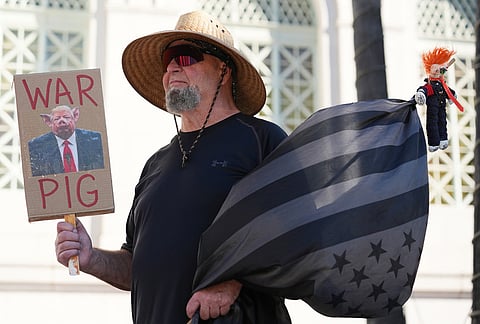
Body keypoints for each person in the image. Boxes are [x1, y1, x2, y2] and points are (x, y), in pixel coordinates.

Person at [55, 10, 291, 324]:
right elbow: (134, 267)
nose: (171, 67)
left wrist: (232, 283)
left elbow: (295, 236)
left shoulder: (262, 140)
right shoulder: (155, 164)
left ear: (223, 69)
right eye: (167, 59)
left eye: (185, 56)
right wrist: (91, 257)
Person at [28, 105, 104, 176]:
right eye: (57, 119)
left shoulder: (95, 140)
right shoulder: (36, 146)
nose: (62, 121)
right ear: (48, 122)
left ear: (75, 116)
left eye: (66, 117)